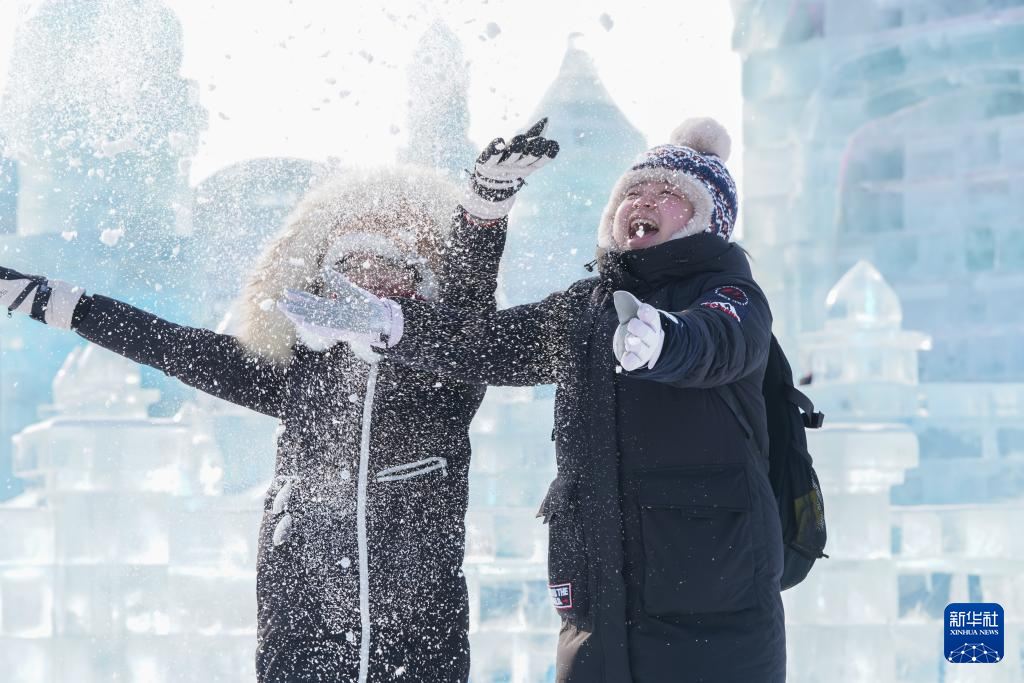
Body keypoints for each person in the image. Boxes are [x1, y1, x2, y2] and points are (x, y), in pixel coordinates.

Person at [0, 121, 559, 683]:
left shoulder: (446, 364)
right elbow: (170, 345)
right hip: (301, 639)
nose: (364, 282)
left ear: (418, 281)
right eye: (347, 268)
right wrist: (51, 300)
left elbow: (467, 297)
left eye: (384, 266)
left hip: (418, 644)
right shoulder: (296, 377)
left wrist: (485, 206)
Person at [279, 117, 786, 682]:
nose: (643, 201)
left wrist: (665, 340)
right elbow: (483, 344)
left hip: (712, 612)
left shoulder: (733, 294)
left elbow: (718, 342)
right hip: (596, 610)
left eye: (669, 194)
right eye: (632, 192)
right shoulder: (586, 308)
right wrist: (393, 323)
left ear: (707, 220)